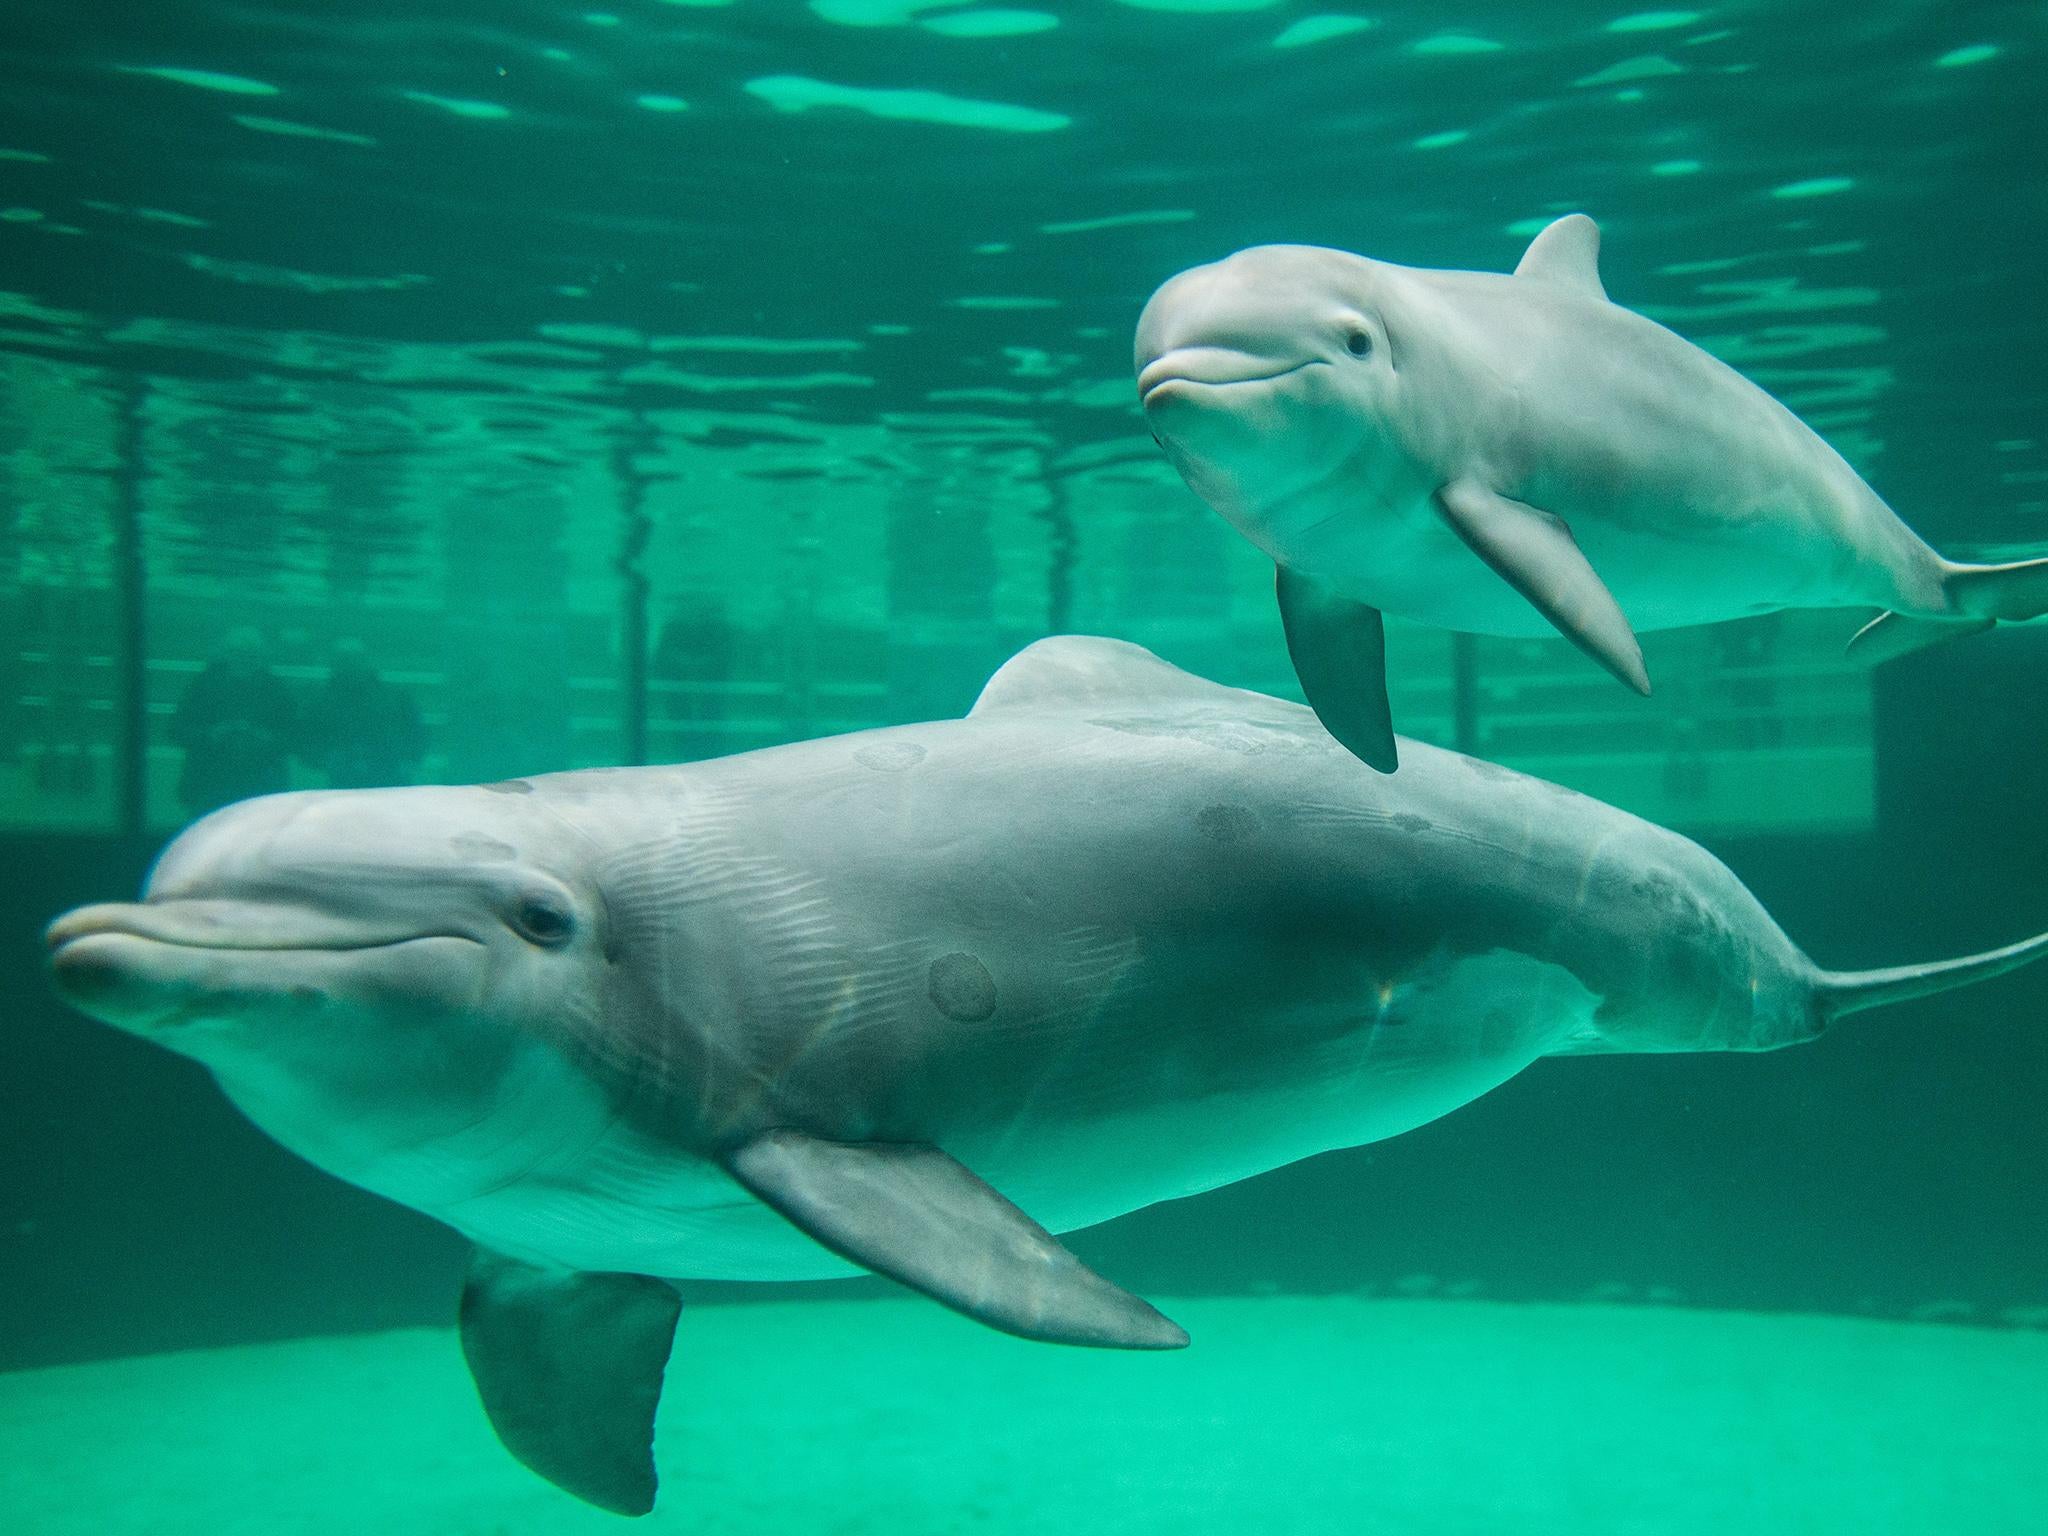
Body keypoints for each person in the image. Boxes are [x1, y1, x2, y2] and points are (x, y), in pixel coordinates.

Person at [171, 626, 298, 819]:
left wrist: (265, 738)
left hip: (260, 784)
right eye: (239, 654)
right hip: (211, 780)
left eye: (251, 655)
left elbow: (294, 736)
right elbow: (176, 730)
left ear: (261, 656)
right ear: (227, 654)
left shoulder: (277, 690)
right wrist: (210, 735)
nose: (245, 659)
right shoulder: (203, 686)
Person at [303, 638, 426, 790]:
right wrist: (319, 761)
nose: (351, 664)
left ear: (366, 660)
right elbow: (308, 735)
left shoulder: (395, 696)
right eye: (345, 659)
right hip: (342, 776)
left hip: (389, 774)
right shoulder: (320, 700)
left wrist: (411, 758)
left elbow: (416, 730)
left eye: (355, 658)